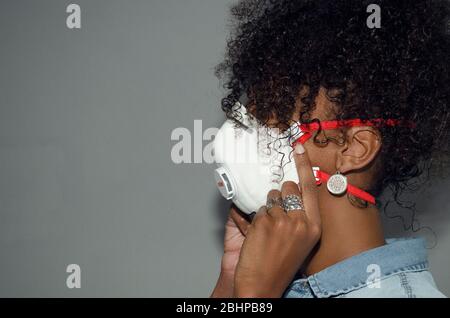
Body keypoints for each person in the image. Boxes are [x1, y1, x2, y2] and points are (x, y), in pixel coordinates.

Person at [210, 0, 450, 298]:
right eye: (253, 114)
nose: (246, 134)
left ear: (354, 149)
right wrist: (231, 285)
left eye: (276, 114)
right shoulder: (267, 283)